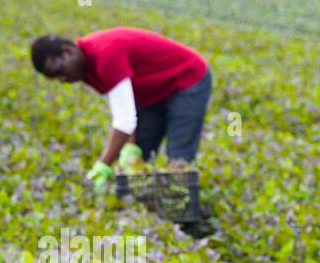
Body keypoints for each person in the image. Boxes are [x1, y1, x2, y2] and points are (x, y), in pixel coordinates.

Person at [30, 27, 213, 232]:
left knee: (178, 159)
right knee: (134, 160)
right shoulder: (85, 69)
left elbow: (124, 121)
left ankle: (189, 225)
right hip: (151, 93)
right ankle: (152, 211)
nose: (62, 79)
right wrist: (130, 146)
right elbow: (124, 107)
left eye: (60, 72)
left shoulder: (105, 54)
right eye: (56, 78)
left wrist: (103, 165)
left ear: (67, 51)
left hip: (186, 79)